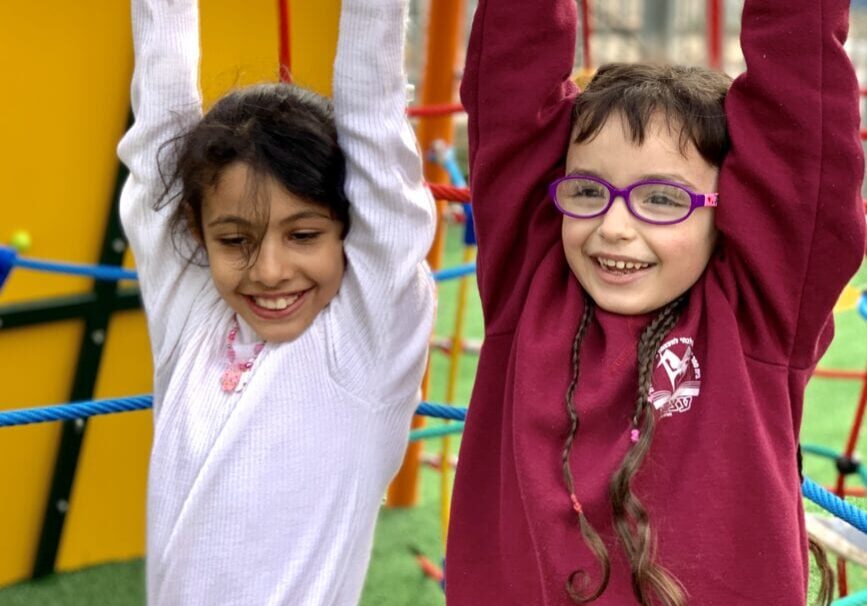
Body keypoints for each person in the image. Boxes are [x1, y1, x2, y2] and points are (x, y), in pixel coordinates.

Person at [446, 0, 865, 604]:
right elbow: (512, 75)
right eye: (589, 190)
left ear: (732, 216)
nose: (614, 226)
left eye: (663, 199)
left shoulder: (760, 316)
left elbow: (802, 127)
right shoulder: (529, 281)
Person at [117, 0, 436, 603]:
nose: (269, 271)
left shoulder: (363, 345)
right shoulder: (193, 321)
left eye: (305, 235)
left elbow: (376, 136)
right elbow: (158, 133)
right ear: (196, 230)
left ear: (351, 226)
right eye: (235, 240)